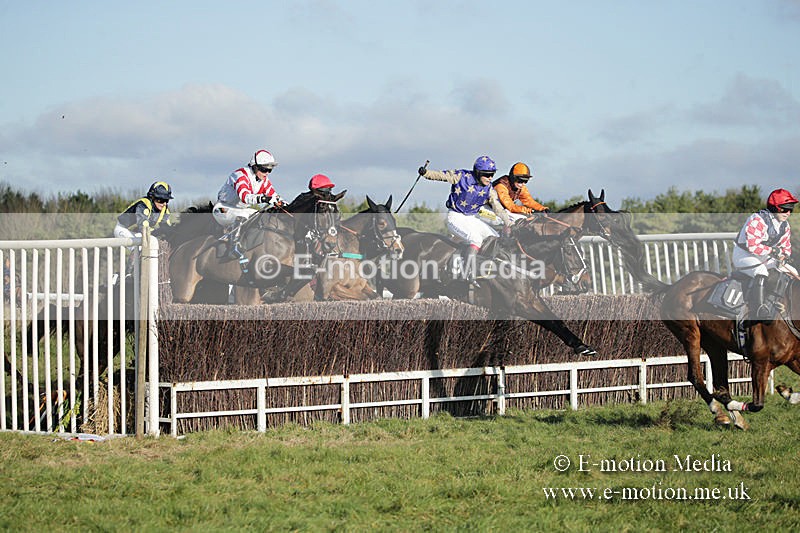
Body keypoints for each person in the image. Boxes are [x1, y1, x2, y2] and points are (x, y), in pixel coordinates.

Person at [418, 155, 512, 281]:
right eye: (486, 174)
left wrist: (509, 223)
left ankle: (488, 270)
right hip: (455, 217)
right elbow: (442, 176)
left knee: (495, 238)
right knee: (476, 239)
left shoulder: (489, 189)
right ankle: (466, 274)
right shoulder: (461, 176)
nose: (490, 178)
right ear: (478, 172)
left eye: (492, 175)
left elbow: (498, 208)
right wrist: (426, 173)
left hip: (471, 218)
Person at [733, 188, 799, 320]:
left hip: (764, 256)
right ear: (774, 207)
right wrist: (773, 251)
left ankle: (788, 307)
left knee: (794, 272)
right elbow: (752, 246)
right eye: (784, 208)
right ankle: (760, 308)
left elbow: (786, 247)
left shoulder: (784, 226)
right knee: (761, 271)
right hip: (744, 255)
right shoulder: (757, 220)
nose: (788, 212)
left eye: (790, 209)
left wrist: (783, 256)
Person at [212, 149, 282, 267]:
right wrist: (263, 199)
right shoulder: (240, 175)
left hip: (238, 210)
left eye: (270, 170)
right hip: (222, 209)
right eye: (264, 169)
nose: (267, 173)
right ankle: (233, 247)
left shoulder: (263, 180)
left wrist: (283, 203)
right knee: (244, 215)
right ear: (255, 167)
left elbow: (274, 196)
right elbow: (244, 196)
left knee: (260, 216)